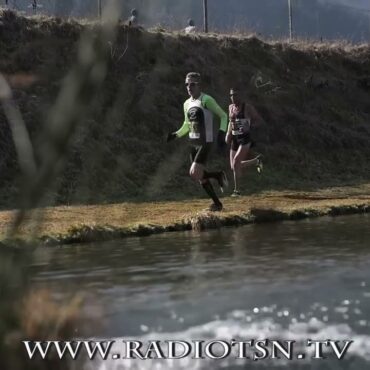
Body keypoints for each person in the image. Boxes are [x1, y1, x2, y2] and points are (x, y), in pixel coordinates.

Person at [167, 72, 228, 212]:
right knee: (200, 177)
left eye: (192, 84)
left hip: (206, 142)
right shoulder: (186, 103)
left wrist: (221, 133)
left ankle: (218, 175)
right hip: (192, 143)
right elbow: (186, 125)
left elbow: (223, 116)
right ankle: (217, 203)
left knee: (193, 172)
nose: (189, 87)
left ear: (199, 85)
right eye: (187, 84)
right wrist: (175, 135)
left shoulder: (206, 100)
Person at [226, 87, 264, 197]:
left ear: (241, 96)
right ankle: (256, 162)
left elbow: (259, 121)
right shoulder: (230, 107)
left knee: (237, 161)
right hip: (235, 138)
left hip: (245, 138)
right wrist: (228, 133)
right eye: (231, 95)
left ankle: (237, 191)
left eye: (236, 95)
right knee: (233, 166)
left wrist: (249, 125)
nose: (233, 97)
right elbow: (230, 121)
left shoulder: (247, 107)